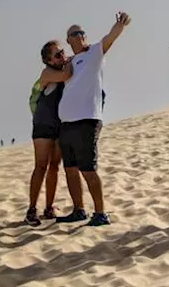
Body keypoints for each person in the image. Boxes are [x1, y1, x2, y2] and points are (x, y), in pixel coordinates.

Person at [56, 12, 131, 226]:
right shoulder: (69, 62)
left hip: (87, 120)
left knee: (88, 168)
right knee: (70, 168)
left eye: (81, 33)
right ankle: (79, 210)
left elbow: (110, 38)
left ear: (85, 36)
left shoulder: (94, 53)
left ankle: (100, 213)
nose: (78, 36)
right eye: (73, 34)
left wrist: (120, 25)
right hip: (67, 123)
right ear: (69, 40)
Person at [26, 40, 70, 225]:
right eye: (58, 54)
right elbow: (67, 74)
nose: (62, 56)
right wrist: (73, 60)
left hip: (60, 124)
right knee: (41, 165)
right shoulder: (47, 73)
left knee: (54, 166)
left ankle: (49, 207)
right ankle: (31, 209)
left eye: (63, 52)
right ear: (48, 60)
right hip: (43, 124)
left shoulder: (62, 69)